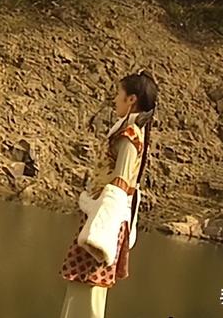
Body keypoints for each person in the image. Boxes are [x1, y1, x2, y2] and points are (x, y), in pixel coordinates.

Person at [59, 70, 158, 318]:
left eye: (118, 94)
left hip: (105, 218)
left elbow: (119, 186)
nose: (115, 99)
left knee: (90, 283)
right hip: (101, 212)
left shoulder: (129, 136)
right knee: (84, 282)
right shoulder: (128, 131)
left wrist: (101, 230)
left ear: (131, 99)